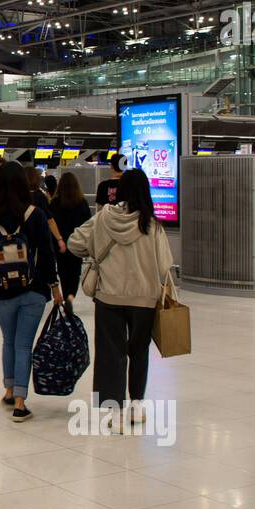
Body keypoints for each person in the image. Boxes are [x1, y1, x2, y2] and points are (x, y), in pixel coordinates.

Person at [66, 168, 174, 431]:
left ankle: (114, 415)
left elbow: (73, 243)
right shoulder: (152, 225)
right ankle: (137, 407)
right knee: (138, 352)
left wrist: (94, 250)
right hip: (144, 300)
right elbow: (164, 267)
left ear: (120, 190)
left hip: (109, 297)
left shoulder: (103, 218)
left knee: (111, 353)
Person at [0, 161, 63, 422]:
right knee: (24, 345)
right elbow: (46, 255)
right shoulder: (35, 215)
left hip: (2, 293)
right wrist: (54, 286)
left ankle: (9, 390)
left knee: (9, 341)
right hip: (33, 290)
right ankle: (21, 403)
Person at [49, 172, 91, 300]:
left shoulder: (55, 202)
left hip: (60, 243)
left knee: (63, 271)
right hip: (76, 243)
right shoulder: (82, 202)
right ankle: (71, 296)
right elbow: (88, 223)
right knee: (75, 271)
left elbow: (51, 223)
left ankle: (66, 292)